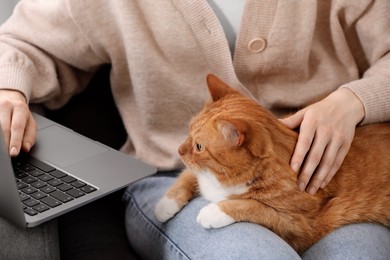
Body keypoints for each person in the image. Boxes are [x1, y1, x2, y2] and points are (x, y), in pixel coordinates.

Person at [0, 0, 389, 259]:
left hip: (334, 180)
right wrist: (9, 89)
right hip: (176, 178)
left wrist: (354, 101)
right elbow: (19, 42)